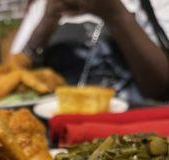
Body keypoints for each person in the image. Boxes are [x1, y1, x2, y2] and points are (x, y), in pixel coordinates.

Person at [11, 0, 169, 102]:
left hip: (130, 128)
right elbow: (11, 76)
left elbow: (160, 88)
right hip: (55, 127)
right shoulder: (42, 6)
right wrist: (47, 20)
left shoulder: (153, 5)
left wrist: (116, 14)